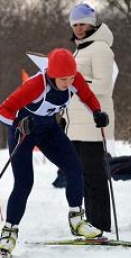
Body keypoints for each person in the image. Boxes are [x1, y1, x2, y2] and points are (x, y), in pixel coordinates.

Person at [0, 48, 108, 255]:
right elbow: (1, 111)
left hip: (49, 129)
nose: (68, 82)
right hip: (24, 132)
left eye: (71, 78)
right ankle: (9, 231)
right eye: (63, 79)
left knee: (75, 169)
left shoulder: (76, 79)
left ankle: (76, 219)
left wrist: (97, 112)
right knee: (23, 183)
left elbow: (88, 96)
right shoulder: (35, 85)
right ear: (51, 74)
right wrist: (18, 123)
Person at [62, 3, 116, 232]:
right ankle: (89, 223)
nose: (78, 28)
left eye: (82, 23)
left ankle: (100, 223)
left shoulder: (101, 48)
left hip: (94, 123)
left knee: (94, 176)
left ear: (92, 23)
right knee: (80, 176)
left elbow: (104, 85)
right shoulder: (80, 49)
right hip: (75, 124)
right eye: (74, 24)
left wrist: (74, 81)